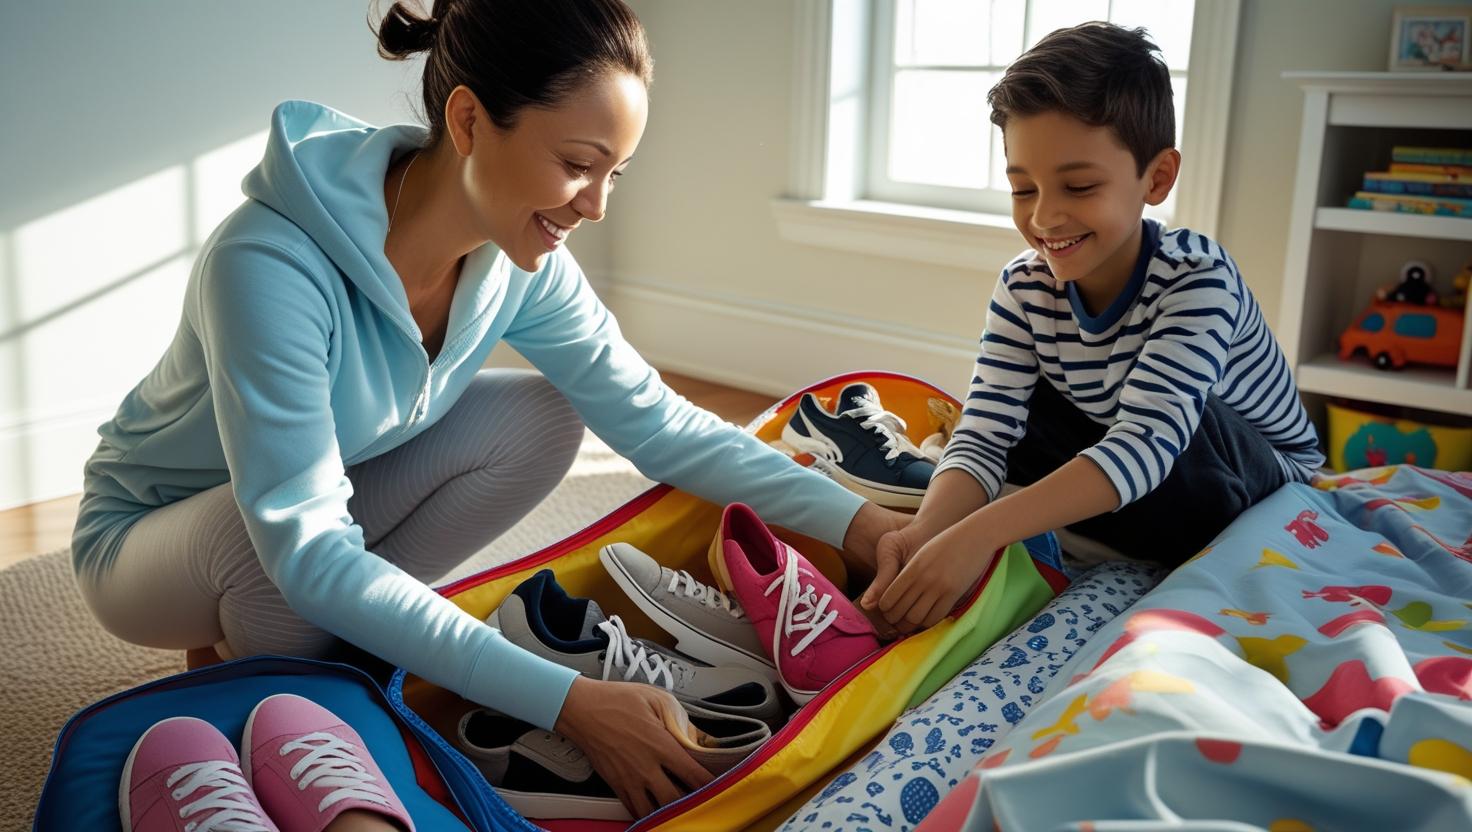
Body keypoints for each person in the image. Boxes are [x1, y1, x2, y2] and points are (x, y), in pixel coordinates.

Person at [70, 0, 908, 822]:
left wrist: (863, 525)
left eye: (616, 172)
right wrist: (570, 701)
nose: (596, 205)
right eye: (579, 163)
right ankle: (252, 668)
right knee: (275, 565)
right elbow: (308, 550)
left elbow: (656, 420)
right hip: (147, 537)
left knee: (541, 417)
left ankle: (326, 654)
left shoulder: (518, 263)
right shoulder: (269, 263)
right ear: (469, 120)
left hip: (308, 508)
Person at [863, 22, 1324, 633]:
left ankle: (1077, 531)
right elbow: (987, 429)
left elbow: (1150, 439)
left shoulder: (1198, 278)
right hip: (1134, 453)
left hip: (1255, 480)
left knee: (1178, 427)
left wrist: (979, 533)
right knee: (1011, 417)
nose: (1045, 216)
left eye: (1079, 187)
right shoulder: (1024, 286)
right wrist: (928, 533)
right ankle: (1069, 526)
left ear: (1156, 179)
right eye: (1023, 189)